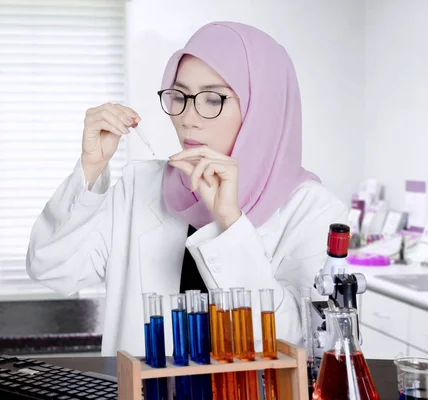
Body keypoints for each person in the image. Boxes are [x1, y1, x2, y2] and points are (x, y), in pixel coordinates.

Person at [26, 21, 347, 357]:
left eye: (212, 99)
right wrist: (91, 166)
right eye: (179, 96)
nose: (188, 117)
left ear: (262, 107)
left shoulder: (315, 210)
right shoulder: (140, 187)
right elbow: (52, 269)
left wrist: (230, 223)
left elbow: (305, 341)